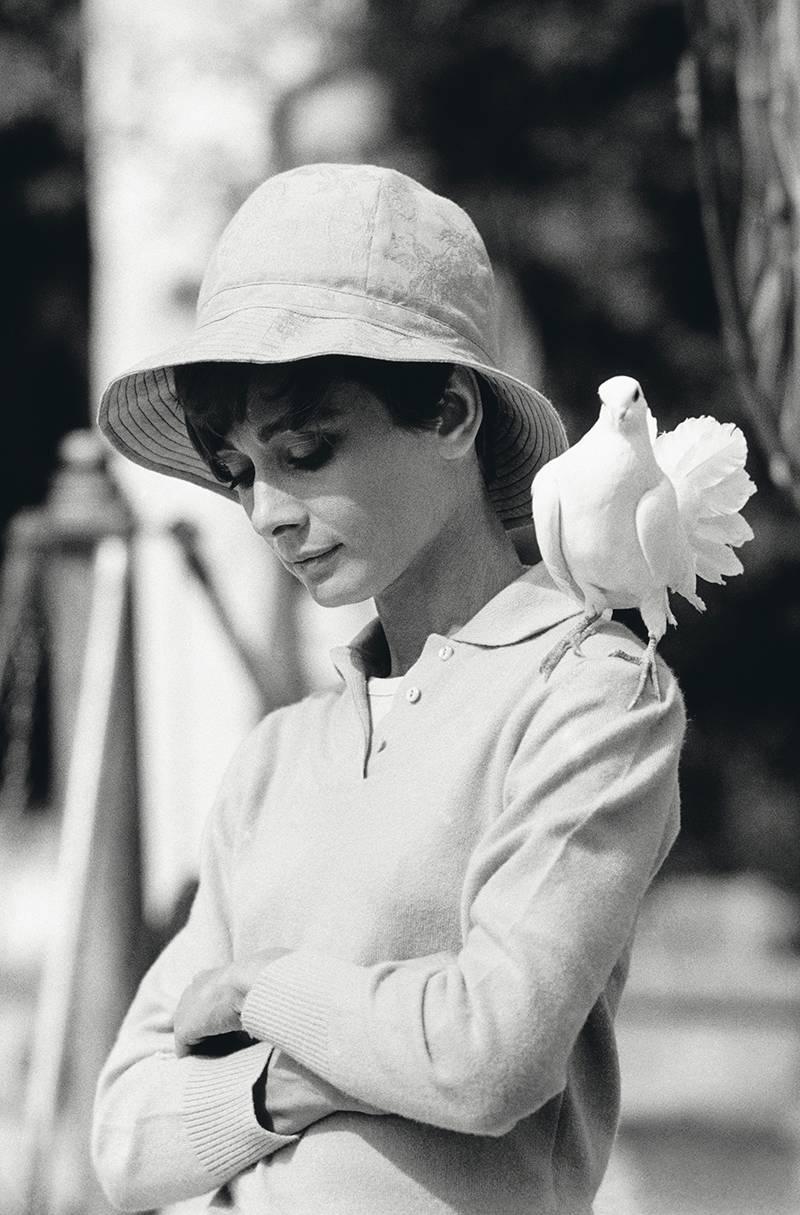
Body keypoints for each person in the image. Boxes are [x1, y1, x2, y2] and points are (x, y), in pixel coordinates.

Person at [92, 162, 684, 1215]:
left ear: (449, 411)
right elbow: (127, 1137)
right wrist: (297, 1070)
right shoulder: (276, 755)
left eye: (306, 451)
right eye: (237, 473)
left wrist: (254, 992)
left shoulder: (589, 693)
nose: (267, 512)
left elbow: (491, 1055)